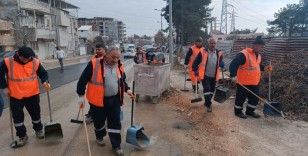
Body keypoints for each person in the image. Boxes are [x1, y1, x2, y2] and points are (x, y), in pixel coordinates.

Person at [77, 47, 134, 156]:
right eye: (113, 57)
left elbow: (122, 81)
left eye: (117, 57)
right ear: (106, 54)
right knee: (99, 121)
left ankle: (116, 145)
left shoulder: (119, 65)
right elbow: (82, 80)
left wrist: (127, 89)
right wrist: (80, 95)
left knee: (115, 121)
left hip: (115, 99)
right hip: (98, 100)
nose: (115, 60)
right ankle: (99, 136)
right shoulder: (94, 64)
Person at [0, 46, 50, 147]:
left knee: (36, 115)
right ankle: (22, 136)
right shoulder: (7, 62)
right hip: (15, 95)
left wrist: (45, 81)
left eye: (29, 58)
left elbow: (43, 73)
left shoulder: (34, 61)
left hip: (32, 94)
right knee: (18, 118)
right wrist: (4, 87)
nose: (27, 60)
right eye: (25, 58)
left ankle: (38, 130)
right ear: (19, 55)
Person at [229, 36, 272, 119]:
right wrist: (233, 76)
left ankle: (250, 111)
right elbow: (233, 65)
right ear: (254, 45)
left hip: (255, 82)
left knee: (254, 98)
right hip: (243, 82)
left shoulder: (258, 56)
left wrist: (266, 68)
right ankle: (238, 112)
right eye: (260, 46)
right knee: (240, 98)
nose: (261, 48)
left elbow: (257, 66)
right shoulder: (244, 54)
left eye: (262, 46)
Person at [192, 38, 224, 112]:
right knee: (207, 89)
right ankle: (208, 105)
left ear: (216, 44)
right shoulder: (202, 52)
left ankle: (207, 101)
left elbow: (220, 62)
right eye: (211, 43)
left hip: (214, 75)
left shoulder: (219, 53)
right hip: (205, 75)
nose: (213, 45)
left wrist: (222, 64)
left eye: (214, 43)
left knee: (212, 90)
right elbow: (195, 62)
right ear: (208, 43)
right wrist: (195, 70)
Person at [84, 43, 107, 124]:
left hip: (106, 90)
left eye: (99, 49)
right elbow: (86, 76)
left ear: (104, 49)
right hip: (94, 91)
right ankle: (91, 116)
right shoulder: (93, 61)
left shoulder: (109, 60)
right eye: (96, 49)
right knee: (94, 106)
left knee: (105, 106)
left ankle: (104, 118)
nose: (97, 51)